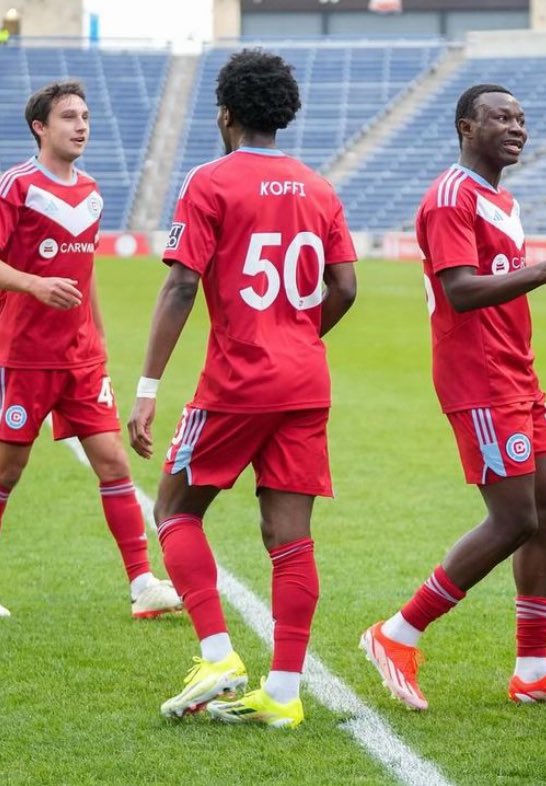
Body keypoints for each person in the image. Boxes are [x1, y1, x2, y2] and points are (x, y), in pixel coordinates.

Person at [127, 50, 358, 729]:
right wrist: (298, 335)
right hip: (305, 380)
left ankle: (219, 655)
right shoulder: (319, 187)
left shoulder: (211, 180)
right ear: (283, 113)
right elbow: (345, 286)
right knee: (290, 536)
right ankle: (284, 694)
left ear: (225, 113)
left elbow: (180, 283)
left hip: (236, 381)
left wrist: (146, 388)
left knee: (174, 509)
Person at [360, 83, 546, 711]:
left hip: (518, 372)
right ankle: (398, 633)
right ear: (467, 127)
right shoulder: (451, 197)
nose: (517, 127)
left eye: (521, 118)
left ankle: (532, 668)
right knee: (515, 517)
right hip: (478, 377)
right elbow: (462, 290)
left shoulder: (500, 198)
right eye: (501, 118)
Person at [0, 80, 182, 621]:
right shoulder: (16, 186)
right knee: (7, 472)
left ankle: (143, 584)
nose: (81, 126)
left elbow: (86, 274)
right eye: (68, 118)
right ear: (40, 127)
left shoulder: (93, 192)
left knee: (113, 462)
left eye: (85, 117)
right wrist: (32, 284)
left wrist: (97, 338)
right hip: (22, 356)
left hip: (81, 360)